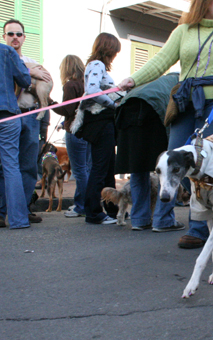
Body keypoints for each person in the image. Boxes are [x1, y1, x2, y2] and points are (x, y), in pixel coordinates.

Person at [118, 0, 213, 246]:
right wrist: (133, 80)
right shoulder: (183, 30)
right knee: (171, 160)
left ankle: (199, 228)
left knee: (205, 163)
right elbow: (160, 61)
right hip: (185, 100)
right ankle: (163, 218)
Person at [0, 19, 52, 225]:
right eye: (10, 34)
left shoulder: (32, 60)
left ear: (24, 37)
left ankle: (22, 209)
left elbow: (46, 87)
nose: (15, 37)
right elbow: (23, 78)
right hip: (10, 115)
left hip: (29, 115)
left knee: (28, 165)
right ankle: (6, 212)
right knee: (6, 167)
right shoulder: (9, 59)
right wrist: (29, 73)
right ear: (4, 36)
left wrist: (31, 83)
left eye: (18, 34)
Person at [115, 72, 180, 231]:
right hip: (153, 115)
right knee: (168, 169)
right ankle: (163, 220)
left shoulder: (150, 81)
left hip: (127, 112)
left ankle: (139, 220)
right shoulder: (180, 81)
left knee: (138, 168)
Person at [74, 33, 121, 225]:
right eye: (115, 51)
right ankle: (94, 212)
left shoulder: (95, 66)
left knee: (107, 168)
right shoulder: (97, 65)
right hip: (101, 121)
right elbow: (92, 91)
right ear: (108, 49)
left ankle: (111, 211)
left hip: (102, 122)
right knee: (101, 169)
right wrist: (113, 104)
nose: (116, 55)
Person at [53, 55, 91, 218]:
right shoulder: (86, 84)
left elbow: (68, 110)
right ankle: (86, 204)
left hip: (74, 131)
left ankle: (80, 206)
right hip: (87, 131)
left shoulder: (70, 85)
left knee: (79, 171)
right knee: (87, 169)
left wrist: (50, 104)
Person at [0, 44, 32, 229]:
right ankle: (18, 220)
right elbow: (25, 80)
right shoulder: (6, 51)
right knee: (11, 166)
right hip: (8, 115)